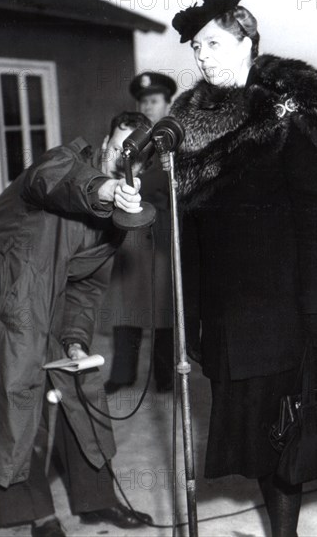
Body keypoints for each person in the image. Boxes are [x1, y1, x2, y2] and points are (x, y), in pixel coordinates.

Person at [0, 113, 154, 537]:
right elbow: (51, 180)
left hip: (48, 296)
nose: (120, 161)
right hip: (0, 293)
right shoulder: (65, 162)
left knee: (83, 386)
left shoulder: (121, 218)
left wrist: (75, 339)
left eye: (132, 158)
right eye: (116, 150)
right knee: (11, 398)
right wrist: (105, 188)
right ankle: (37, 516)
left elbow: (87, 287)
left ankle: (97, 501)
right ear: (103, 142)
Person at [170, 0, 317, 535]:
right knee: (257, 433)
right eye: (196, 48)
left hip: (281, 306)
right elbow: (192, 232)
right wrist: (192, 318)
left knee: (286, 430)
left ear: (246, 41)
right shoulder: (192, 119)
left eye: (212, 43)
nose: (202, 57)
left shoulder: (288, 107)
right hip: (227, 310)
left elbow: (314, 215)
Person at [103, 73, 178, 394]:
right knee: (125, 304)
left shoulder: (176, 140)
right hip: (130, 234)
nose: (148, 106)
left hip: (161, 235)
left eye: (154, 101)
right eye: (143, 101)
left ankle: (164, 374)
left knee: (164, 307)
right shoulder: (126, 140)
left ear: (167, 104)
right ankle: (122, 373)